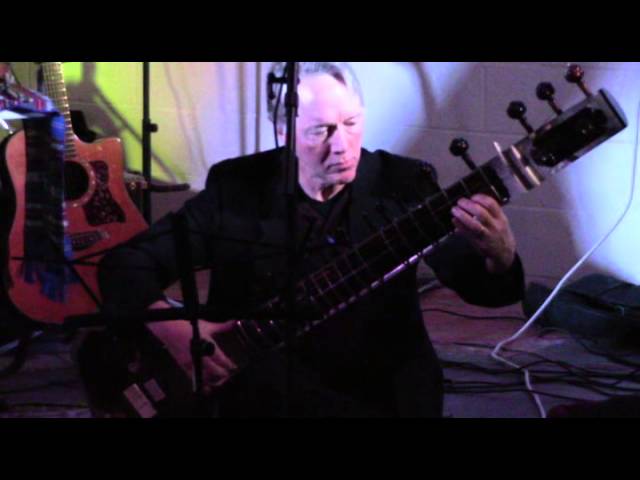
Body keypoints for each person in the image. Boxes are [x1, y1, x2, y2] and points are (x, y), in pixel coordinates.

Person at [97, 62, 524, 417]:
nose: (341, 146)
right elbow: (125, 265)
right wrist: (173, 329)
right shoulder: (238, 187)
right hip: (260, 389)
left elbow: (484, 290)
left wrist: (500, 257)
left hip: (376, 389)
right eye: (321, 130)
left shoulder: (403, 185)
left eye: (351, 124)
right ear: (284, 132)